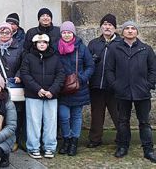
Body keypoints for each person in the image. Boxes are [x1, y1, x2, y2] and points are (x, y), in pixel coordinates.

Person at [105, 21, 156, 162]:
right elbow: (109, 70)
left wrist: (149, 84)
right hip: (122, 92)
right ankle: (122, 147)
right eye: (126, 28)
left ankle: (148, 149)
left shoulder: (146, 49)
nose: (130, 30)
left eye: (133, 28)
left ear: (137, 32)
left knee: (144, 122)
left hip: (142, 92)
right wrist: (115, 85)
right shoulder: (115, 49)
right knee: (123, 121)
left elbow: (153, 69)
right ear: (122, 32)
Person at [20, 33, 64, 159]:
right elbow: (25, 74)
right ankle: (33, 147)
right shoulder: (28, 57)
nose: (42, 44)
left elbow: (60, 75)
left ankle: (49, 147)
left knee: (51, 122)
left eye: (44, 42)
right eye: (39, 43)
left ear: (48, 44)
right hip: (33, 95)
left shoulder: (55, 58)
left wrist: (52, 90)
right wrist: (37, 89)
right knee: (34, 122)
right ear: (35, 44)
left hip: (51, 95)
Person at [56, 21, 94, 156]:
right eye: (64, 32)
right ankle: (66, 139)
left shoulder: (81, 48)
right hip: (62, 88)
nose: (66, 35)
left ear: (73, 33)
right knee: (64, 116)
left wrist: (82, 78)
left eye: (69, 32)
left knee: (76, 116)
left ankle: (74, 142)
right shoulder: (56, 48)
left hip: (78, 88)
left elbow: (90, 66)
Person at [0, 22, 25, 151]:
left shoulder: (19, 48)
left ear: (11, 33)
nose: (4, 35)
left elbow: (23, 64)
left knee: (15, 114)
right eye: (1, 32)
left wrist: (19, 75)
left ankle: (15, 139)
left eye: (7, 32)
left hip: (14, 85)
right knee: (0, 112)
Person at [86, 14, 121, 148]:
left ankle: (122, 139)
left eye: (110, 25)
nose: (107, 27)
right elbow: (87, 62)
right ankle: (95, 139)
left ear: (115, 28)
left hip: (114, 87)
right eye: (105, 25)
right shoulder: (94, 43)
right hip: (96, 85)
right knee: (97, 115)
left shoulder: (120, 43)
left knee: (118, 115)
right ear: (101, 27)